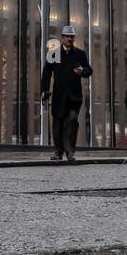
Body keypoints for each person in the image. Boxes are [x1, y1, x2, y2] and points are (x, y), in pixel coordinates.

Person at [41, 25, 92, 162]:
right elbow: (46, 74)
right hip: (58, 96)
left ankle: (70, 152)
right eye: (67, 36)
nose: (70, 38)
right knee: (57, 124)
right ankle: (58, 151)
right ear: (62, 38)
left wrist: (83, 71)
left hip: (74, 97)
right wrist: (44, 90)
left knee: (71, 121)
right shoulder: (54, 53)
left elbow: (89, 70)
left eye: (72, 37)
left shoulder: (80, 54)